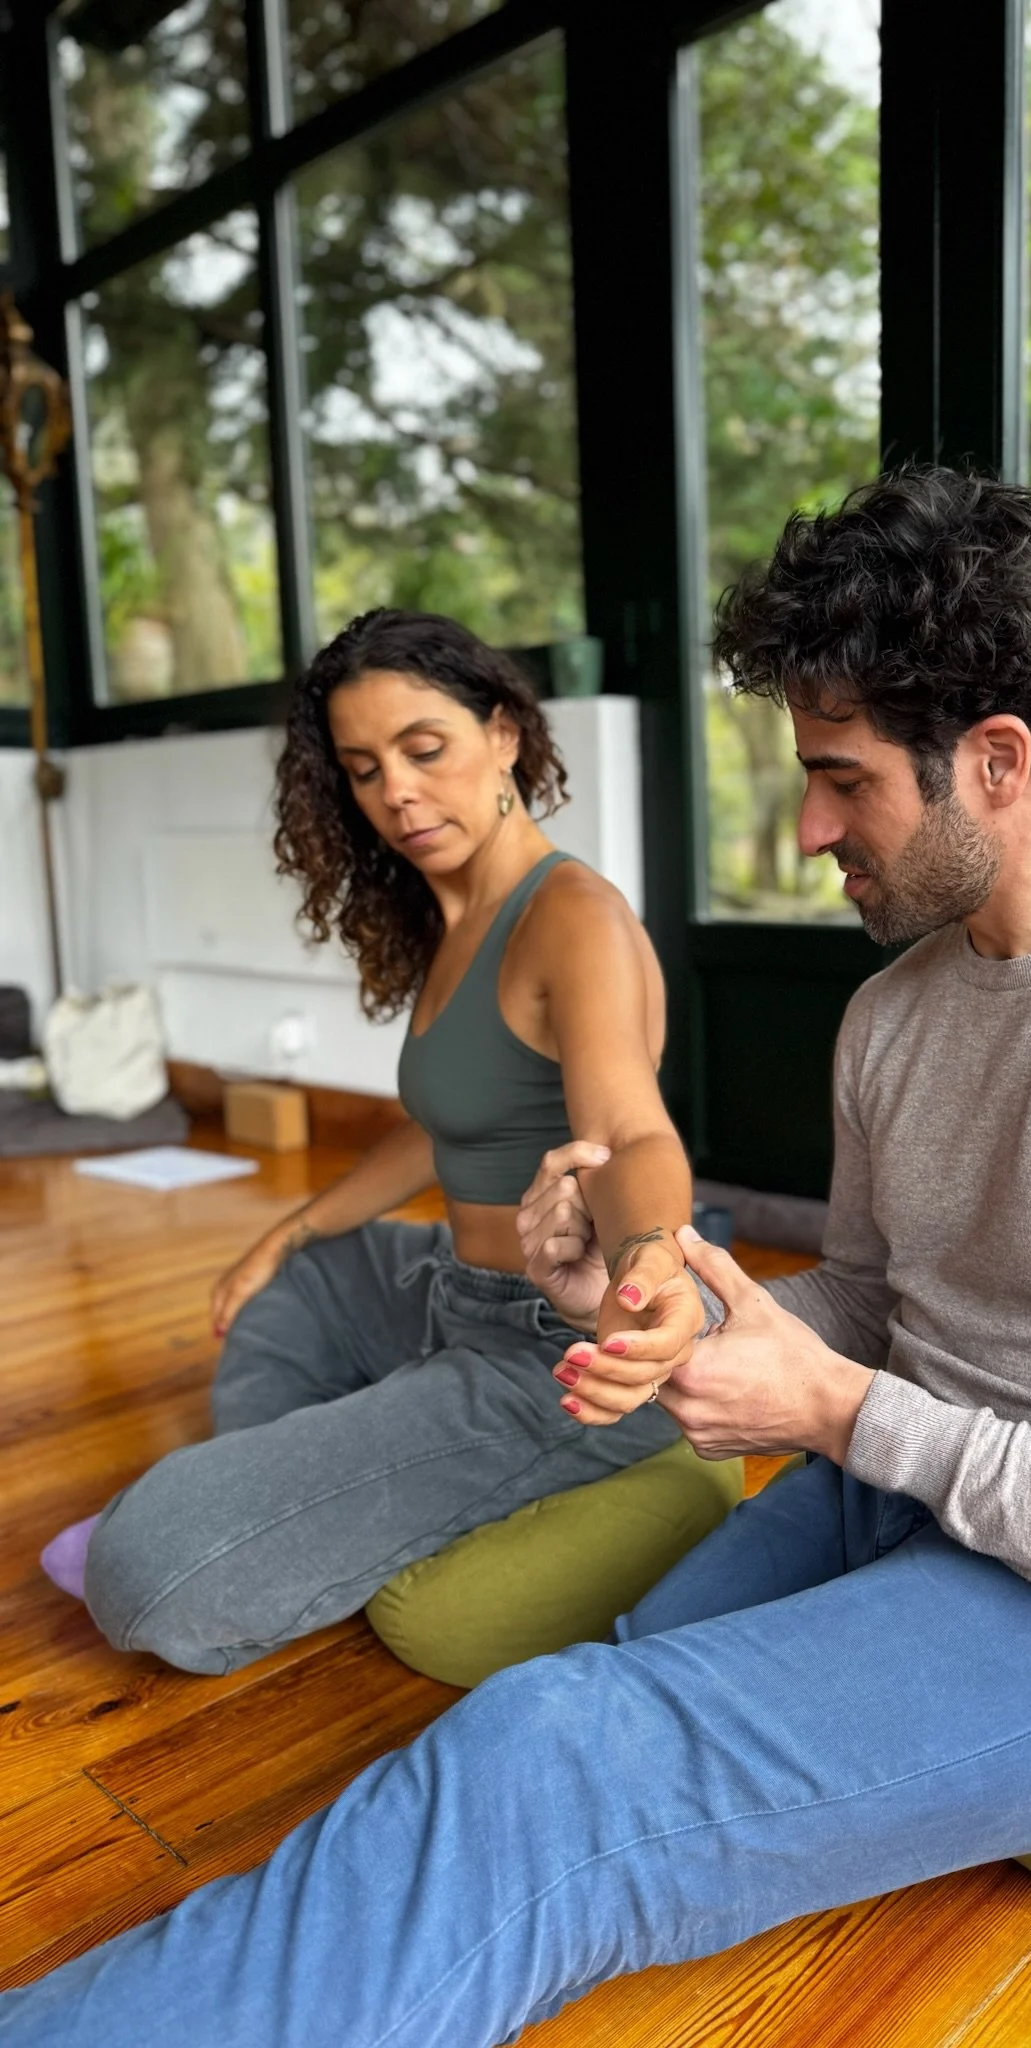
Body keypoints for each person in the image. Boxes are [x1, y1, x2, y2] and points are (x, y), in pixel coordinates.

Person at [3, 471, 1031, 2044]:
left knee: (553, 1757)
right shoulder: (895, 1014)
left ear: (999, 762)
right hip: (904, 1502)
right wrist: (645, 1312)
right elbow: (869, 1302)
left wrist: (846, 1415)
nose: (808, 830)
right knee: (600, 1702)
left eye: (842, 781)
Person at [40, 608, 704, 1675]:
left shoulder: (572, 915)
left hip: (558, 1346)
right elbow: (439, 1124)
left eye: (424, 749)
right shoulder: (457, 919)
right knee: (288, 1287)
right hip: (458, 1291)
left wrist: (649, 1266)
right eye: (363, 768)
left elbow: (628, 1134)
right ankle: (299, 1499)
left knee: (142, 1568)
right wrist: (292, 1230)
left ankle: (223, 1517)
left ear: (503, 735)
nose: (396, 790)